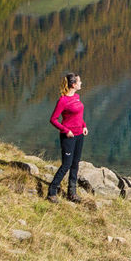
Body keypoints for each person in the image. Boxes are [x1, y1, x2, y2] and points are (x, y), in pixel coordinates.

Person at [46, 73, 87, 203]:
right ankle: (52, 191)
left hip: (79, 134)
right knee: (67, 164)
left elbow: (78, 116)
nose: (81, 83)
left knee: (75, 164)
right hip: (68, 136)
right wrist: (66, 130)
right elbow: (53, 119)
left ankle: (72, 192)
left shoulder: (77, 97)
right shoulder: (63, 100)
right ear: (73, 84)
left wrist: (84, 125)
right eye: (79, 82)